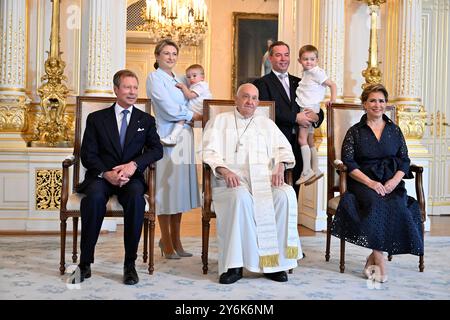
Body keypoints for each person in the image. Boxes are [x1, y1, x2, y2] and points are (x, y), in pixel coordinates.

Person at [203, 83, 303, 284]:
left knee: (285, 196)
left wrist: (280, 166)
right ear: (236, 99)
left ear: (258, 102)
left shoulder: (266, 123)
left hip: (265, 181)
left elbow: (284, 149)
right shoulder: (220, 121)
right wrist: (224, 170)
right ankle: (234, 266)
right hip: (230, 182)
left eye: (254, 98)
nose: (250, 102)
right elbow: (208, 152)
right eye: (246, 97)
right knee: (240, 199)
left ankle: (275, 264)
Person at [74, 69, 163, 285]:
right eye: (127, 87)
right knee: (93, 199)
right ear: (116, 90)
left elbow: (157, 150)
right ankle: (85, 263)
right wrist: (107, 173)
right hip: (101, 177)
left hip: (130, 179)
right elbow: (88, 154)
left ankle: (129, 264)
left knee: (135, 199)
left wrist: (134, 165)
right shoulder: (96, 119)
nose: (132, 92)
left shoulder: (146, 120)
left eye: (135, 87)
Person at [331, 84, 424, 283]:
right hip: (363, 184)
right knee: (376, 203)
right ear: (364, 104)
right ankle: (380, 258)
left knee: (397, 204)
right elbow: (349, 162)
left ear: (386, 104)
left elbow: (405, 160)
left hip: (391, 183)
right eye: (372, 100)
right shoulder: (355, 132)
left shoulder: (394, 130)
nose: (377, 105)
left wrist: (393, 181)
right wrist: (371, 183)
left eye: (381, 101)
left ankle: (372, 258)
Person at [146, 39, 201, 260]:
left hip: (185, 138)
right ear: (157, 56)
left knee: (179, 192)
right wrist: (191, 116)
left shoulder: (180, 78)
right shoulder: (154, 78)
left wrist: (192, 112)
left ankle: (177, 240)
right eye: (166, 53)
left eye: (174, 53)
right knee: (166, 190)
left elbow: (193, 100)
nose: (170, 57)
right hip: (166, 138)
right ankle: (166, 241)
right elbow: (167, 109)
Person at [253, 41, 324, 195]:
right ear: (270, 58)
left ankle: (290, 220)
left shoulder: (301, 81)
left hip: (298, 145)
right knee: (276, 193)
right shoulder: (262, 83)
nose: (283, 59)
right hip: (276, 145)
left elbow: (316, 105)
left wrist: (316, 116)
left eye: (286, 55)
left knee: (293, 193)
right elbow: (267, 113)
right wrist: (295, 117)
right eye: (278, 55)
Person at [295, 45, 336, 185]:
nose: (309, 62)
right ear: (299, 60)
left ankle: (306, 170)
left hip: (307, 108)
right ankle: (315, 168)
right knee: (310, 139)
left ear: (317, 60)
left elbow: (332, 85)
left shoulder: (316, 72)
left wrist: (332, 100)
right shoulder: (308, 73)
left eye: (312, 59)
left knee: (302, 139)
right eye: (305, 59)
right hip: (309, 106)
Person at [160, 64, 212, 146]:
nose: (191, 78)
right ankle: (175, 138)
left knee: (182, 118)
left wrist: (183, 87)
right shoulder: (194, 85)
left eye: (194, 76)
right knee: (191, 124)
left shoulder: (201, 85)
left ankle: (172, 137)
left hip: (200, 112)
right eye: (188, 77)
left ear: (202, 77)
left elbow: (190, 96)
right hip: (197, 114)